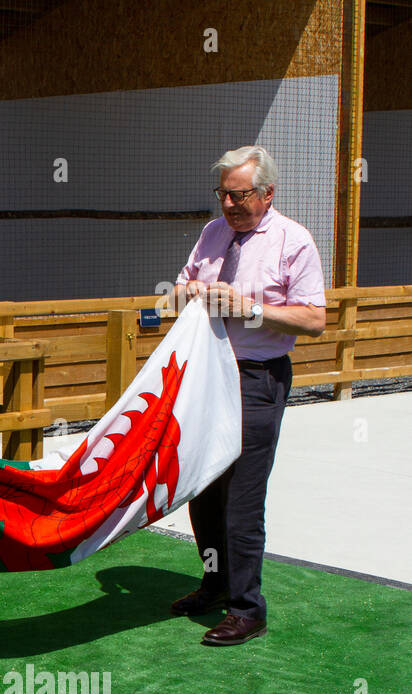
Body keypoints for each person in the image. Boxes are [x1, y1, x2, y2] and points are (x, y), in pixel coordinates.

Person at [171, 145, 326, 646]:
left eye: (239, 195)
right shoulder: (213, 234)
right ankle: (215, 584)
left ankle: (247, 608)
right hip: (205, 376)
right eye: (223, 196)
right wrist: (187, 295)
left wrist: (247, 307)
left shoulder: (293, 241)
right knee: (203, 488)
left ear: (267, 193)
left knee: (241, 496)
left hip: (257, 378)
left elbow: (314, 320)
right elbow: (174, 291)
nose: (229, 205)